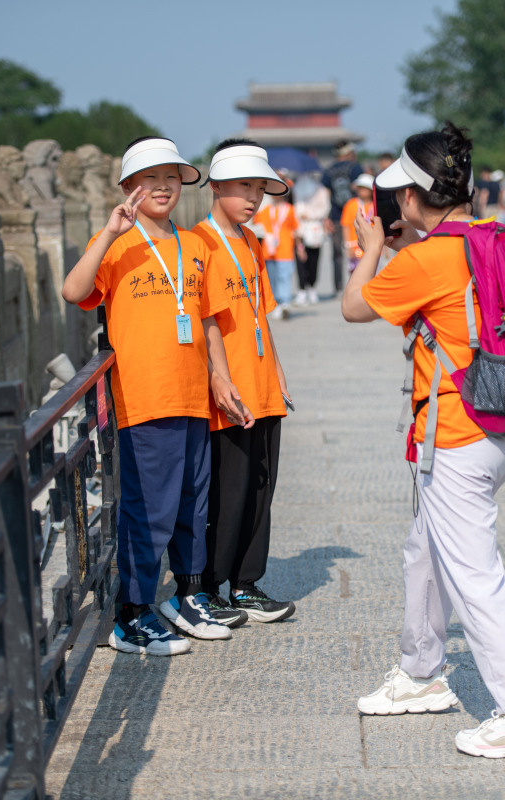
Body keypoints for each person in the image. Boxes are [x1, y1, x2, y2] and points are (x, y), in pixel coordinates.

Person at [341, 122, 505, 762]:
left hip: (456, 433)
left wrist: (372, 247)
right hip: (499, 424)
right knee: (425, 551)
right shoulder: (494, 240)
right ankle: (420, 673)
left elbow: (355, 307)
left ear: (410, 198)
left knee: (474, 574)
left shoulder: (422, 259)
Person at [61, 137, 250, 654]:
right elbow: (74, 291)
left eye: (171, 177)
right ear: (128, 188)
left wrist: (221, 377)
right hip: (146, 395)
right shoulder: (116, 245)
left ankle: (186, 596)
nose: (163, 187)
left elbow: (208, 318)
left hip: (193, 395)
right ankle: (132, 613)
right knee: (150, 508)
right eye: (150, 179)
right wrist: (108, 232)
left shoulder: (195, 245)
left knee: (193, 501)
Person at [192, 139, 297, 626]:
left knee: (261, 485)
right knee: (227, 488)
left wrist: (276, 372)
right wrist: (220, 378)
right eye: (243, 187)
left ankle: (247, 583)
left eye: (259, 189)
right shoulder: (200, 243)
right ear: (216, 186)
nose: (254, 198)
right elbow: (207, 319)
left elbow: (261, 314)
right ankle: (211, 584)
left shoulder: (252, 243)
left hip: (261, 383)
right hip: (228, 388)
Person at [254, 173, 300, 320]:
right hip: (268, 250)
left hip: (285, 249)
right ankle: (277, 303)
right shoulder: (265, 210)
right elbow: (255, 222)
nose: (276, 196)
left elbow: (296, 229)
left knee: (284, 276)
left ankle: (285, 302)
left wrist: (300, 247)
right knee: (272, 278)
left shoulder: (290, 209)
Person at [322, 142, 364, 294]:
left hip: (335, 216)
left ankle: (338, 286)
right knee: (361, 248)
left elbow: (326, 196)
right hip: (356, 214)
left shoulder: (328, 171)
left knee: (337, 253)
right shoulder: (355, 168)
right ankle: (359, 282)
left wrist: (326, 218)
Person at [293, 173, 330, 305]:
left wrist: (310, 214)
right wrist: (301, 213)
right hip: (300, 229)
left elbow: (325, 209)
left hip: (315, 228)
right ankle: (302, 288)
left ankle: (312, 286)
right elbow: (296, 209)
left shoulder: (321, 191)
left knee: (314, 259)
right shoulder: (296, 189)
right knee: (300, 260)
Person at [340, 173, 375, 273]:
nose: (361, 190)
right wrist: (348, 246)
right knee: (355, 277)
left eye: (364, 188)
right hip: (355, 248)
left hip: (373, 248)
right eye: (360, 187)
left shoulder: (375, 206)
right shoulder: (351, 204)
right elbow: (345, 226)